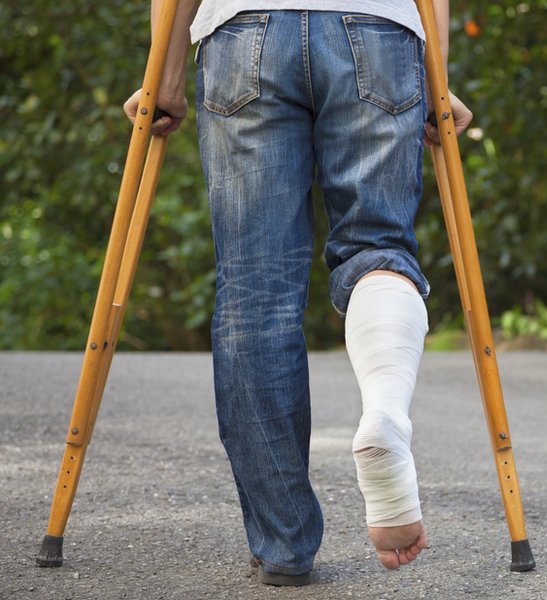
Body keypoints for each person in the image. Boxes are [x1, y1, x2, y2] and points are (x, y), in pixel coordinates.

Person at [123, 0, 472, 587]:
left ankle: (283, 544)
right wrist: (438, 80)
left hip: (244, 34)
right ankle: (386, 409)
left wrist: (167, 75)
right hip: (378, 32)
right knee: (376, 248)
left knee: (256, 286)